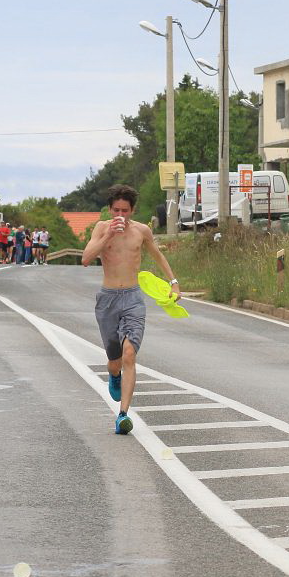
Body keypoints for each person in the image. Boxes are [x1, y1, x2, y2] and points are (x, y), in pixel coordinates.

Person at [81, 184, 180, 435]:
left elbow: (158, 255)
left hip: (133, 298)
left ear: (132, 210)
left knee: (129, 355)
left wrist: (174, 283)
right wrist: (108, 236)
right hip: (108, 299)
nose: (120, 216)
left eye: (125, 211)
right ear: (109, 209)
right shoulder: (101, 228)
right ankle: (114, 375)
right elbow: (85, 258)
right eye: (116, 210)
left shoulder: (142, 231)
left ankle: (123, 415)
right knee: (114, 361)